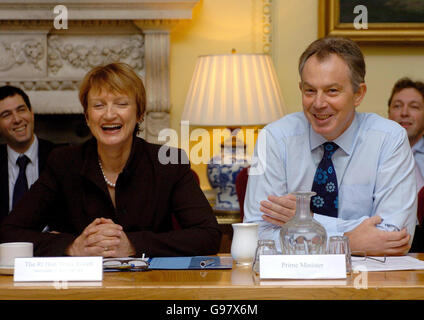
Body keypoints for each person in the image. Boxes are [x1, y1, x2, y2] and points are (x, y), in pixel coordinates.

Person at [0, 62, 221, 258]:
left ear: (140, 113)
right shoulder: (63, 163)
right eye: (98, 105)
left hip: (150, 287)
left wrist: (133, 245)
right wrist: (73, 246)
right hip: (81, 290)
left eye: (121, 104)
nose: (108, 114)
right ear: (87, 117)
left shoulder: (169, 162)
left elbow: (208, 235)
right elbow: (9, 233)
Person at [243, 36, 416, 256]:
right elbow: (257, 239)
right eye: (310, 91)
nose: (318, 103)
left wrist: (306, 221)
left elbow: (395, 236)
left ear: (358, 94)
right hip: (290, 283)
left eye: (332, 91)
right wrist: (349, 242)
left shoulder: (389, 139)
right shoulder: (274, 139)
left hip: (369, 283)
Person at [0, 86, 56, 223]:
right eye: (6, 115)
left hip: (51, 242)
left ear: (31, 113)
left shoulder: (60, 157)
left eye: (21, 110)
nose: (17, 119)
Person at [388, 77, 424, 252]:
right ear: (388, 113)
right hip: (386, 241)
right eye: (397, 106)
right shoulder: (373, 154)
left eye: (414, 107)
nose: (404, 113)